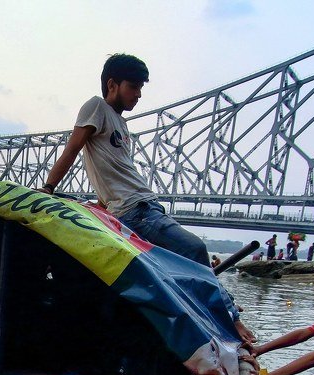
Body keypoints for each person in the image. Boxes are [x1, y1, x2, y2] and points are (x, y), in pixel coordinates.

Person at [38, 53, 255, 344]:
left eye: (142, 88)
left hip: (145, 207)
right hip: (137, 212)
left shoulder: (121, 123)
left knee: (177, 274)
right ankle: (231, 319)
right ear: (112, 84)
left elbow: (110, 173)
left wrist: (104, 206)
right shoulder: (97, 106)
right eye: (134, 86)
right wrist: (48, 188)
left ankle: (214, 312)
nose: (139, 94)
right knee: (194, 250)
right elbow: (72, 149)